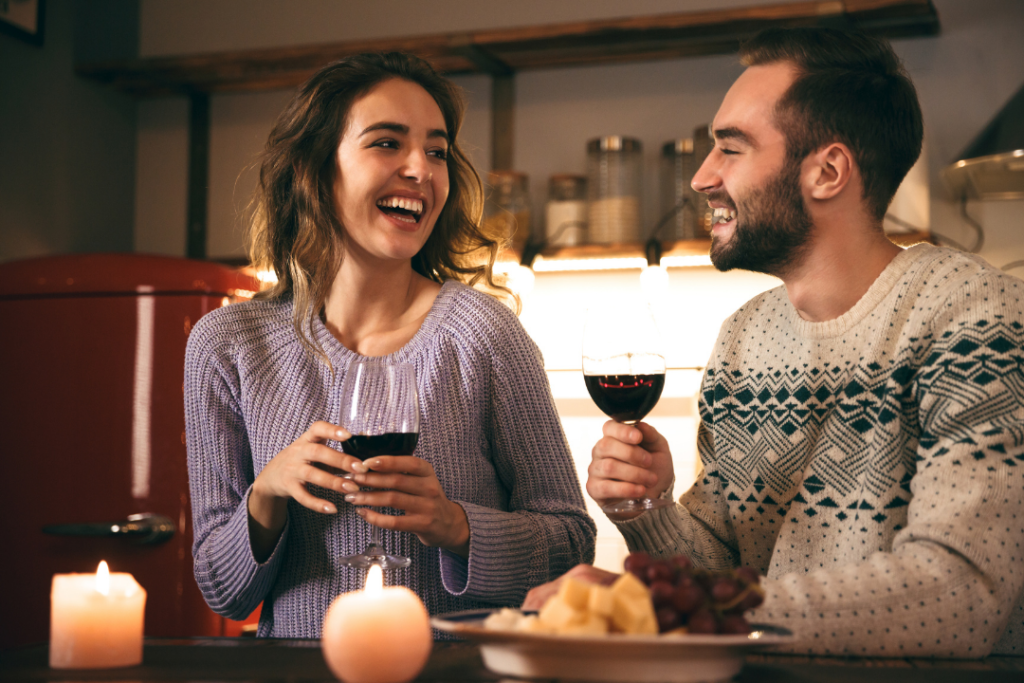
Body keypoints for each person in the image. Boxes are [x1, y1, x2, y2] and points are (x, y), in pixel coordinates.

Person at [525, 27, 1024, 657]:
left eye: (731, 149)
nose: (703, 177)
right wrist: (648, 510)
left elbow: (961, 597)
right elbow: (722, 577)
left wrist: (666, 608)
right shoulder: (742, 339)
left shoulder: (975, 317)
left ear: (828, 171)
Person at [184, 52, 596, 638]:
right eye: (386, 143)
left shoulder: (484, 335)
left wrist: (455, 525)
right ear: (315, 169)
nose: (421, 170)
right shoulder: (228, 344)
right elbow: (222, 592)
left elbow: (572, 545)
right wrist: (266, 494)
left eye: (436, 151)